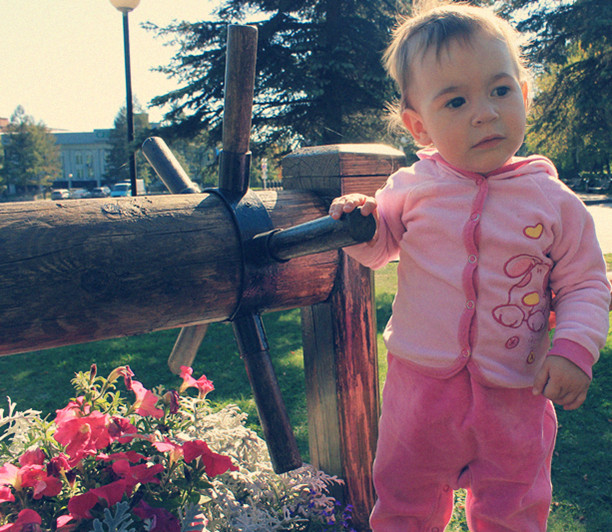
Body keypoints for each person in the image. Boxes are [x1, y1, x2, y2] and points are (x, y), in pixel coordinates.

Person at [329, 2, 611, 531]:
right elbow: (380, 248)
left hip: (517, 392)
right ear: (419, 126)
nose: (484, 112)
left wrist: (575, 349)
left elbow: (586, 284)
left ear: (523, 94)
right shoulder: (411, 188)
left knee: (515, 506)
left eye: (500, 90)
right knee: (405, 501)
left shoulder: (554, 201)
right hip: (420, 391)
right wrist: (361, 222)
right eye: (456, 101)